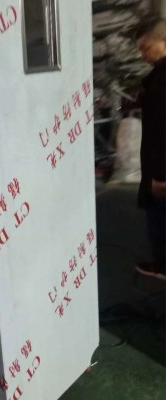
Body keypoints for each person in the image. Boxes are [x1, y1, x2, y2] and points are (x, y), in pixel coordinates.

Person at [134, 18, 166, 281]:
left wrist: (160, 175)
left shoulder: (162, 80)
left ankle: (162, 266)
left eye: (146, 48)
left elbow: (162, 130)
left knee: (159, 216)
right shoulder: (157, 76)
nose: (142, 55)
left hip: (161, 167)